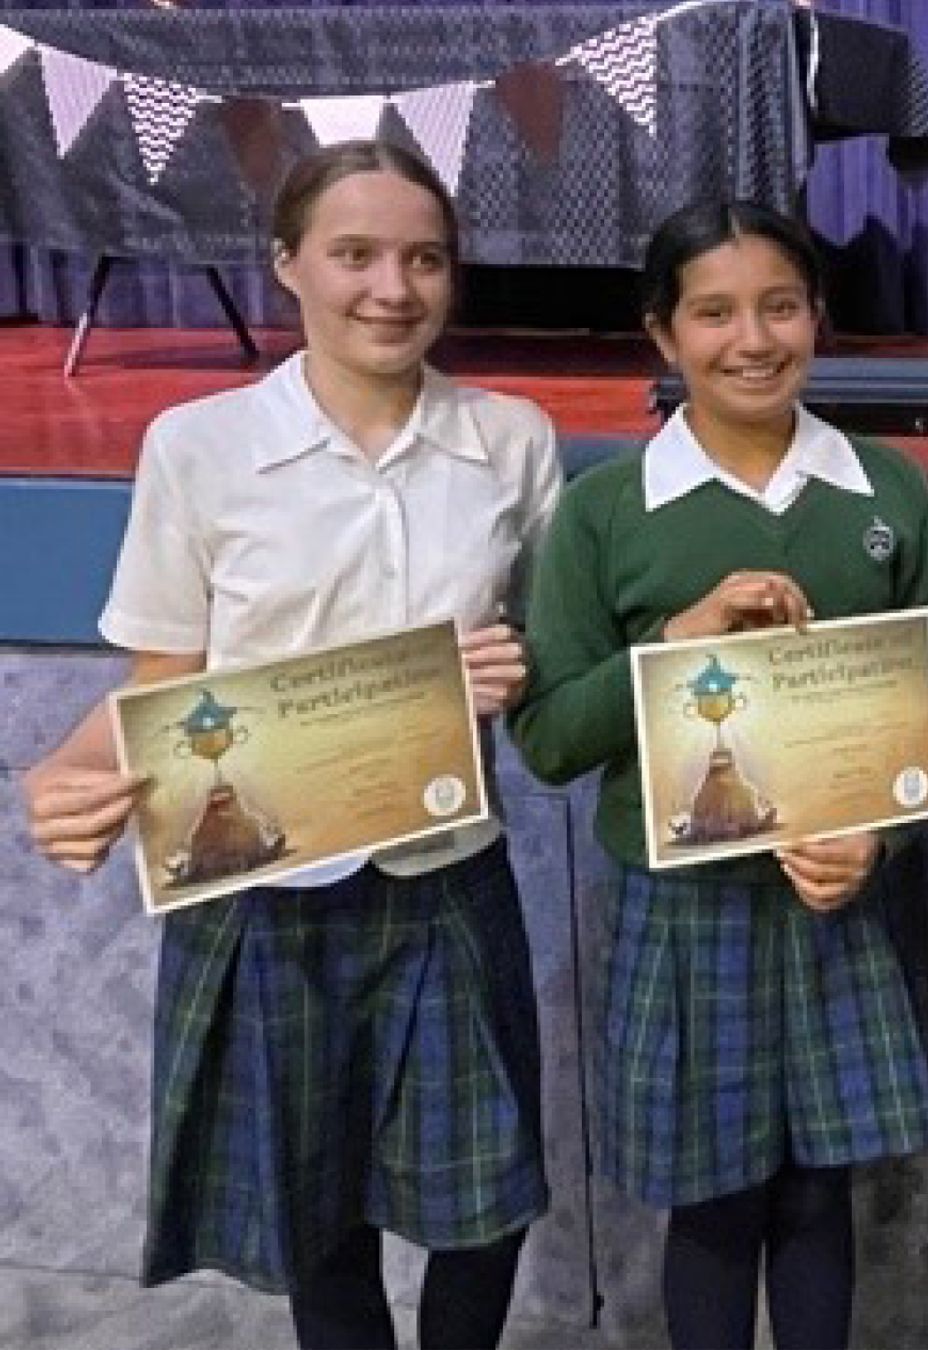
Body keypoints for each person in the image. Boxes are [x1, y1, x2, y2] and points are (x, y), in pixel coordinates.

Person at [22, 140, 557, 1350]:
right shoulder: (198, 445)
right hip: (265, 884)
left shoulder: (511, 438)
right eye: (354, 254)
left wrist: (514, 667)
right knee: (317, 1210)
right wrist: (65, 774)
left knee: (486, 1202)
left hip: (447, 872)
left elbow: (546, 650)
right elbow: (166, 681)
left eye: (425, 259)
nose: (392, 289)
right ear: (287, 264)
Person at [507, 198, 928, 1350]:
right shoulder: (605, 513)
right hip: (684, 913)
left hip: (839, 902)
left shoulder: (885, 491)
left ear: (817, 316)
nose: (753, 340)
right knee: (713, 1207)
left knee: (819, 1194)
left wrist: (880, 836)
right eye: (714, 314)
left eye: (780, 307)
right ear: (662, 334)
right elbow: (552, 737)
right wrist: (673, 646)